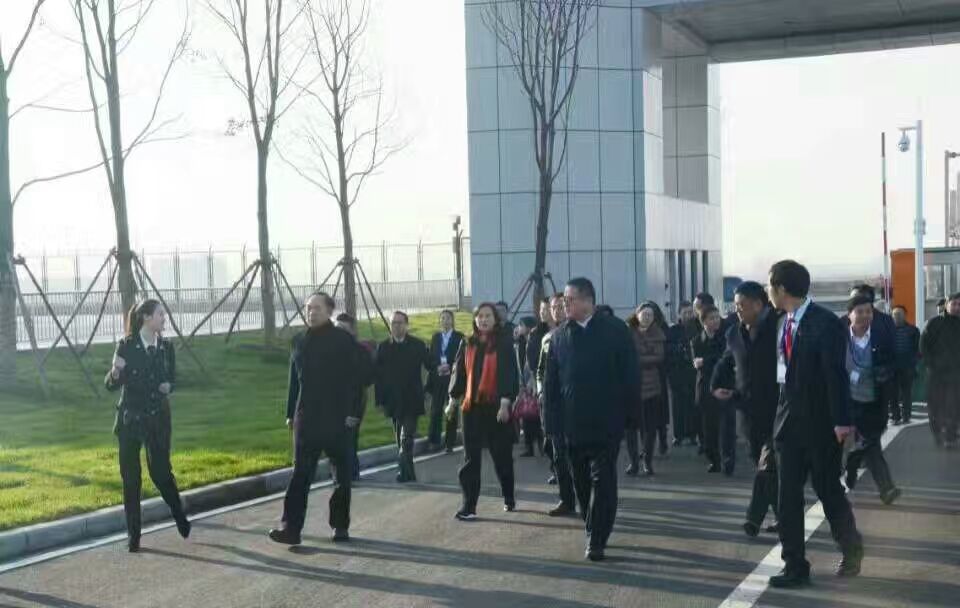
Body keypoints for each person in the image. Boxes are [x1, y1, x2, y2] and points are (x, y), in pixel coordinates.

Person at [766, 260, 863, 588]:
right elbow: (782, 378)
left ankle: (851, 548)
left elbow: (835, 375)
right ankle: (794, 565)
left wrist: (842, 421)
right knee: (787, 497)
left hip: (821, 426)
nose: (768, 291)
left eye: (769, 286)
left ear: (781, 288)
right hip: (788, 427)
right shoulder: (783, 323)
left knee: (828, 490)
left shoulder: (825, 323)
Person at [545, 277, 638, 561]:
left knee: (604, 481)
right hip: (572, 426)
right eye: (563, 300)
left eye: (570, 300)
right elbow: (551, 384)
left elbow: (630, 375)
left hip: (607, 423)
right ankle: (591, 523)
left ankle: (597, 539)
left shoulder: (615, 330)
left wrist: (631, 416)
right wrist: (551, 424)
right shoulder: (559, 336)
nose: (564, 305)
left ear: (588, 301)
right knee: (581, 484)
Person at [270, 292, 373, 545]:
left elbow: (362, 378)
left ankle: (340, 525)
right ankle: (290, 528)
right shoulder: (299, 341)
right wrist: (290, 413)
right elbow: (294, 380)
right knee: (300, 474)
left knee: (341, 477)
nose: (311, 312)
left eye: (317, 308)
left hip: (338, 419)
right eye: (308, 308)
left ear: (329, 311)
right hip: (306, 418)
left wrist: (354, 413)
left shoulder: (343, 341)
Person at [106, 300, 190, 553]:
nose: (164, 319)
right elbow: (111, 384)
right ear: (146, 318)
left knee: (161, 473)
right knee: (131, 479)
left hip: (158, 419)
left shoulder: (166, 347)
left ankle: (179, 513)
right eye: (160, 314)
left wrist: (168, 387)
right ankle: (134, 536)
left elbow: (173, 379)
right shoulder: (126, 345)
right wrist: (115, 372)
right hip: (130, 419)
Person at [712, 281, 781, 537]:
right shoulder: (734, 332)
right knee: (764, 466)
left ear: (758, 304)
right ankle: (784, 516)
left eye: (741, 305)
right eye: (735, 305)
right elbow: (726, 360)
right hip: (748, 411)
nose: (737, 310)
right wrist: (716, 385)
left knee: (768, 465)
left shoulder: (780, 328)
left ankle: (753, 518)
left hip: (778, 409)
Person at [447, 303, 520, 520]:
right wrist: (452, 400)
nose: (484, 320)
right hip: (471, 407)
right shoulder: (467, 343)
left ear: (495, 319)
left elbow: (509, 375)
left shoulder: (503, 343)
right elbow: (459, 373)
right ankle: (468, 506)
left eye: (488, 316)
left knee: (501, 456)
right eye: (480, 316)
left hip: (496, 407)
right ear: (475, 319)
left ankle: (508, 496)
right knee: (471, 458)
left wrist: (505, 403)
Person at [843, 295, 901, 505]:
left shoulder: (880, 337)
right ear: (849, 315)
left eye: (868, 311)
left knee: (870, 443)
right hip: (847, 401)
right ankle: (886, 488)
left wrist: (884, 372)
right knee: (870, 444)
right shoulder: (840, 338)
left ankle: (853, 463)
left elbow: (894, 361)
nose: (865, 315)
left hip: (874, 401)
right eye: (859, 311)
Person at [376, 311, 431, 482]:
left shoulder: (417, 345)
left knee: (406, 437)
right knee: (400, 439)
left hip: (412, 399)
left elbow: (431, 364)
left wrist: (431, 385)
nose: (396, 326)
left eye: (400, 323)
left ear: (406, 325)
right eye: (393, 323)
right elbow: (378, 376)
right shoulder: (383, 347)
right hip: (393, 400)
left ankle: (402, 470)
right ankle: (409, 473)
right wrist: (380, 400)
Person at [539, 293, 577, 515]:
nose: (557, 311)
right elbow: (541, 370)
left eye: (561, 306)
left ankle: (586, 496)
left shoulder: (579, 335)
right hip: (554, 406)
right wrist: (541, 392)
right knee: (558, 455)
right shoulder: (548, 338)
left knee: (578, 457)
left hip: (576, 405)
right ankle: (566, 500)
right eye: (553, 307)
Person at [693, 304, 735, 476]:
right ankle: (714, 459)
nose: (716, 321)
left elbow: (725, 358)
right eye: (712, 318)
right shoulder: (696, 341)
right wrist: (708, 362)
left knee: (726, 426)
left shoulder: (726, 337)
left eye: (717, 317)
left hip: (724, 385)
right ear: (703, 321)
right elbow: (697, 364)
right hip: (705, 387)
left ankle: (728, 460)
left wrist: (706, 361)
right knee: (709, 428)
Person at [626, 303, 667, 477]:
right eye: (644, 314)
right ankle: (633, 462)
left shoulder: (658, 333)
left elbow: (659, 357)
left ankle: (647, 461)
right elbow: (626, 355)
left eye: (650, 315)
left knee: (650, 428)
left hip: (652, 386)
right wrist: (645, 356)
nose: (647, 317)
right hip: (631, 386)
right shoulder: (628, 332)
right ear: (637, 314)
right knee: (630, 428)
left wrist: (638, 359)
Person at [848, 285, 897, 426]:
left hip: (876, 386)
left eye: (857, 297)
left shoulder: (885, 321)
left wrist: (884, 371)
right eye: (852, 298)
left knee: (874, 426)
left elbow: (892, 350)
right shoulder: (841, 323)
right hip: (849, 390)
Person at [335, 313, 376, 481]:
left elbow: (366, 380)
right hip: (332, 403)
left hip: (353, 403)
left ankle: (350, 475)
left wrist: (353, 411)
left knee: (349, 439)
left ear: (352, 331)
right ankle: (339, 475)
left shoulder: (360, 352)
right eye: (337, 329)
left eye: (343, 329)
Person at [920, 292, 960, 448]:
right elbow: (923, 345)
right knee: (936, 405)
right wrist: (930, 363)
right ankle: (938, 432)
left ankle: (950, 435)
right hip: (936, 373)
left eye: (959, 305)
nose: (957, 307)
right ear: (946, 304)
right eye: (954, 304)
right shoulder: (934, 323)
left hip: (956, 374)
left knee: (954, 405)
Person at [426, 310, 464, 453]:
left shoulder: (459, 337)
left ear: (452, 321)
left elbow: (461, 357)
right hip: (438, 379)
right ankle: (434, 441)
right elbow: (431, 357)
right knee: (435, 410)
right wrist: (437, 366)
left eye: (448, 318)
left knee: (451, 411)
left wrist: (450, 365)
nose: (445, 321)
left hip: (452, 379)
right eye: (442, 318)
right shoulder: (436, 337)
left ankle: (449, 442)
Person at [666, 301, 699, 447]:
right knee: (677, 406)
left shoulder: (697, 328)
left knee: (692, 404)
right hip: (677, 373)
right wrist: (678, 349)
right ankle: (678, 435)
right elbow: (667, 348)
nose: (688, 315)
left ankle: (692, 435)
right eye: (685, 313)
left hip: (693, 372)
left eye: (690, 312)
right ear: (679, 314)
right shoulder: (673, 330)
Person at [891, 305, 920, 425]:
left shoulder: (913, 330)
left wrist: (914, 362)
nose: (897, 316)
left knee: (906, 393)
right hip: (892, 368)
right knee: (893, 394)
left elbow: (918, 349)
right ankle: (895, 416)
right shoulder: (888, 330)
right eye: (895, 314)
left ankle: (906, 416)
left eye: (899, 314)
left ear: (905, 315)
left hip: (907, 367)